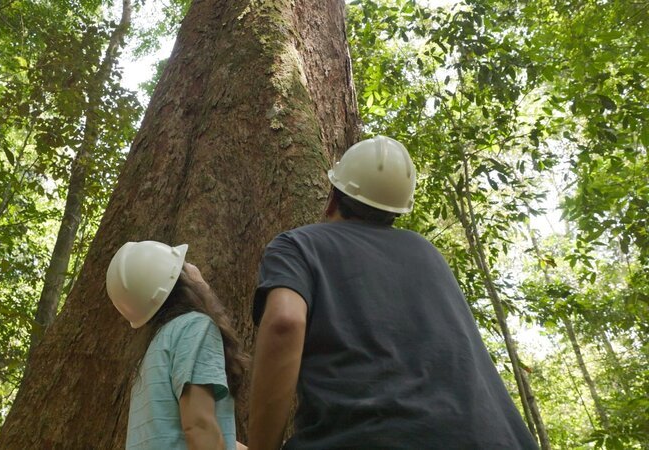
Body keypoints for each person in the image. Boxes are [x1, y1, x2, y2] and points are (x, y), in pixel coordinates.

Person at [248, 136, 538, 449]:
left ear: (333, 197)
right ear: (397, 211)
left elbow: (285, 321)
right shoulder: (427, 253)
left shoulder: (298, 245)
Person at [106, 241, 249, 450]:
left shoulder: (156, 347)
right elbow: (199, 427)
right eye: (184, 263)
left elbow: (172, 433)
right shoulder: (196, 328)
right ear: (179, 277)